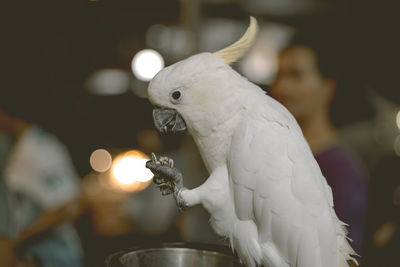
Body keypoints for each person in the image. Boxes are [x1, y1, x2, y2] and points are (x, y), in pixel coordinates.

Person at [270, 34, 368, 256]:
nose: (281, 87)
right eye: (279, 75)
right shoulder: (282, 153)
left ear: (328, 86)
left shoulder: (341, 169)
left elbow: (345, 257)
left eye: (295, 75)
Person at [0, 107, 85, 267]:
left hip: (55, 257)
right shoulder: (21, 144)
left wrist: (17, 240)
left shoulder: (36, 150)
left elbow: (67, 207)